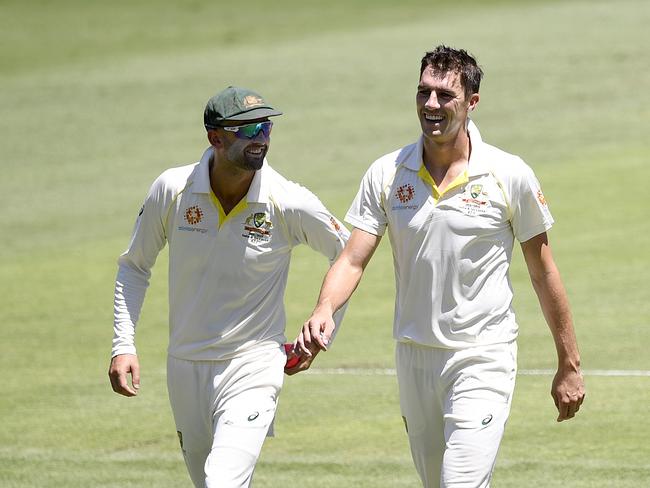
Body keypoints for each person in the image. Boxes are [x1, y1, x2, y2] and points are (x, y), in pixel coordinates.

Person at [295, 46, 585, 487]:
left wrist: (569, 362)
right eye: (423, 93)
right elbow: (353, 258)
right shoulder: (387, 173)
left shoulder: (508, 174)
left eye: (445, 95)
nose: (431, 105)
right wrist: (322, 310)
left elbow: (543, 272)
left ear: (472, 102)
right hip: (415, 356)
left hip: (482, 354)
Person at [108, 86, 349, 488]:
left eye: (267, 126)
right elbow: (134, 267)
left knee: (222, 481)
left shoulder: (287, 200)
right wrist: (123, 344)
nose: (262, 137)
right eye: (249, 128)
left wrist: (324, 320)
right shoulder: (173, 189)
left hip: (253, 366)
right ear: (215, 138)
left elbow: (348, 256)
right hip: (185, 367)